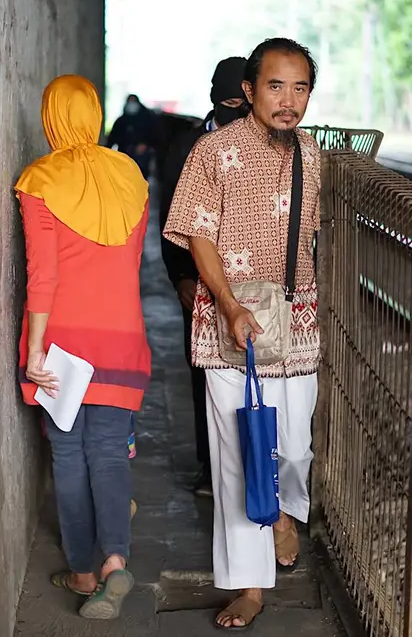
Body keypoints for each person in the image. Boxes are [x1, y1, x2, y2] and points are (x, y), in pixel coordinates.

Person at [162, 38, 322, 630]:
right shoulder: (213, 152)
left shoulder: (311, 153)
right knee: (237, 458)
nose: (288, 100)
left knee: (295, 447)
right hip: (230, 328)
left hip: (295, 320)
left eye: (300, 87)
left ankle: (283, 511)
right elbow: (198, 235)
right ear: (250, 91)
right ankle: (250, 588)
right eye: (275, 86)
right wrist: (227, 305)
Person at [17, 74, 152, 621]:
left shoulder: (39, 181)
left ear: (51, 117)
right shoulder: (130, 177)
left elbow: (42, 277)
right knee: (109, 451)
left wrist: (33, 350)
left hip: (65, 346)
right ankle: (116, 560)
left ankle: (80, 570)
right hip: (124, 337)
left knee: (69, 456)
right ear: (94, 114)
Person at [158, 56, 250, 498]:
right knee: (202, 373)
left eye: (243, 102)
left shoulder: (263, 143)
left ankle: (249, 463)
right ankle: (209, 467)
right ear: (215, 97)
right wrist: (180, 277)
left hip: (249, 281)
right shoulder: (185, 148)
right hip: (196, 282)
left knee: (251, 371)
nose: (237, 112)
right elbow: (168, 219)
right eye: (230, 103)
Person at [106, 94, 159, 177]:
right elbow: (112, 139)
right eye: (129, 102)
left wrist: (145, 144)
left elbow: (155, 136)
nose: (131, 105)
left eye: (133, 102)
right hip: (125, 156)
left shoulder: (148, 120)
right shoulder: (121, 121)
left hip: (142, 158)